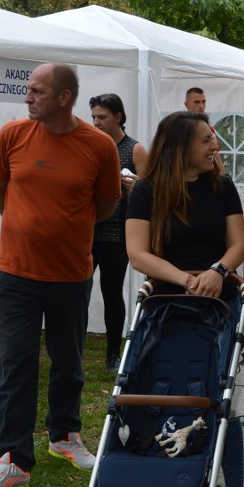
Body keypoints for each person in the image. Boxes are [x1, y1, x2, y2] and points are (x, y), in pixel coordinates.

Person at [0, 63, 121, 487]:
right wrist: (28, 225)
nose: (27, 97)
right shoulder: (12, 136)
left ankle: (65, 436)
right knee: (16, 364)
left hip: (72, 273)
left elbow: (107, 204)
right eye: (28, 90)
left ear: (64, 96)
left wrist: (63, 227)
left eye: (36, 90)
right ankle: (15, 460)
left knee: (69, 361)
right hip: (16, 272)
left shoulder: (99, 146)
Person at [124, 111, 244, 487]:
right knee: (156, 393)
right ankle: (159, 482)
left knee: (221, 400)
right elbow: (138, 253)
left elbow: (238, 244)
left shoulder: (222, 187)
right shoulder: (146, 191)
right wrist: (185, 279)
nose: (215, 145)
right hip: (165, 307)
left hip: (220, 309)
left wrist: (216, 271)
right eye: (205, 140)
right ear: (180, 148)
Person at [88, 93, 149, 373]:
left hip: (117, 233)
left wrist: (136, 187)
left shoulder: (134, 150)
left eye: (102, 117)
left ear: (118, 117)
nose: (97, 123)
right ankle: (73, 349)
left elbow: (153, 192)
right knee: (77, 291)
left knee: (111, 293)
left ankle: (114, 354)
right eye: (94, 118)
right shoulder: (90, 146)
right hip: (87, 231)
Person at [184, 86, 225, 174]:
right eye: (197, 102)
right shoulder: (179, 128)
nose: (201, 106)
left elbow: (216, 157)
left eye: (203, 102)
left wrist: (223, 180)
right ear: (186, 104)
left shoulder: (209, 129)